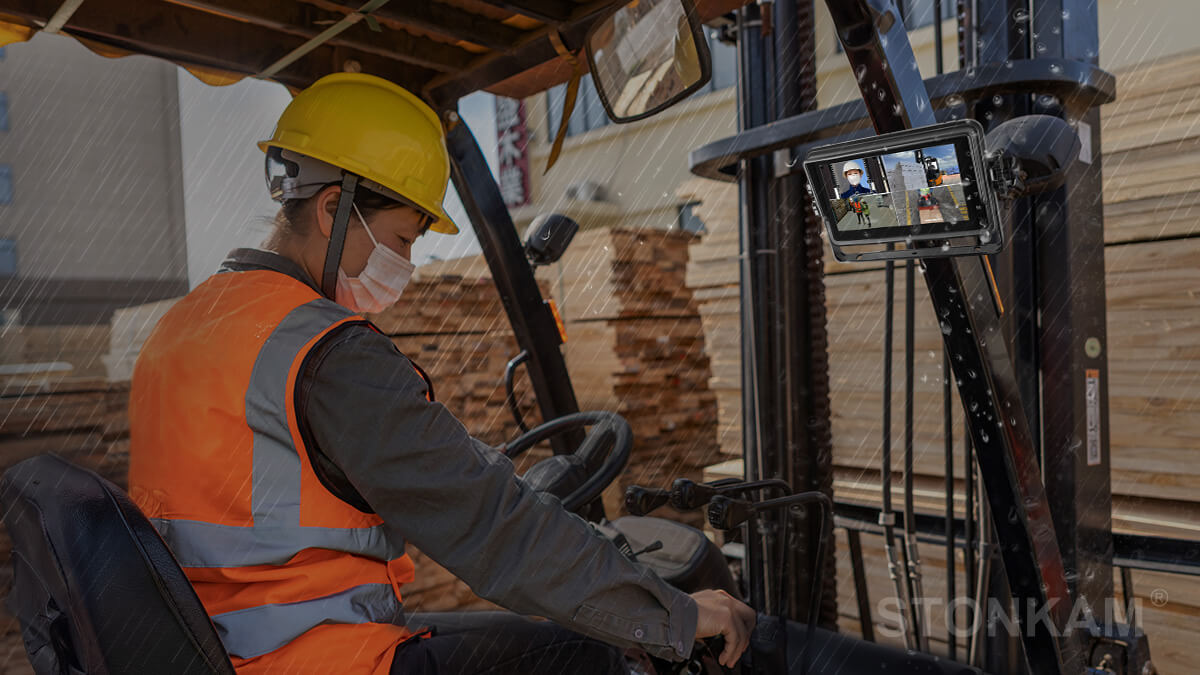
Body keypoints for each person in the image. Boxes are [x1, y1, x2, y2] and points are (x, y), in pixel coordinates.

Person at [128, 73, 755, 675]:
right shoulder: (325, 354)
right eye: (402, 239)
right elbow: (489, 523)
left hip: (218, 643)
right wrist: (672, 614)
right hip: (311, 657)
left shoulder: (186, 326)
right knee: (590, 655)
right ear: (331, 210)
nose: (406, 265)